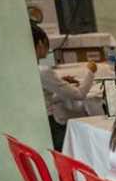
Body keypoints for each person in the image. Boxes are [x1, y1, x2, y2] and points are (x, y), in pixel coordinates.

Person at [32, 23, 96, 151]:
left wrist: (61, 84)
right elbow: (80, 94)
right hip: (51, 126)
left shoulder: (30, 69)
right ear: (40, 43)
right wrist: (91, 71)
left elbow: (45, 97)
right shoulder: (43, 71)